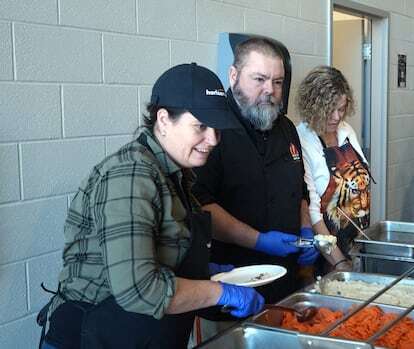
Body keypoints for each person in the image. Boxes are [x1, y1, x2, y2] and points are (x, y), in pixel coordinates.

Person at [38, 63, 264, 349]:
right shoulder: (131, 175)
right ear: (164, 119)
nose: (213, 140)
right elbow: (140, 290)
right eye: (201, 126)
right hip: (94, 337)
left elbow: (162, 252)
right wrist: (219, 292)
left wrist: (206, 270)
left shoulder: (174, 173)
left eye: (217, 129)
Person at [193, 38, 317, 304]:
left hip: (287, 281)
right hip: (233, 285)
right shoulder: (210, 131)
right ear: (233, 75)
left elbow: (300, 191)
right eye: (259, 79)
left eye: (278, 82)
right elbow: (200, 205)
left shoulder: (286, 128)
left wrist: (306, 230)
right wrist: (258, 241)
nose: (269, 90)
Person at [296, 66, 370, 270]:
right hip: (326, 253)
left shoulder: (346, 130)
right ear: (313, 106)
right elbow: (314, 212)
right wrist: (339, 262)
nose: (337, 117)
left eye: (342, 108)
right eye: (330, 110)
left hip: (356, 244)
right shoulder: (301, 139)